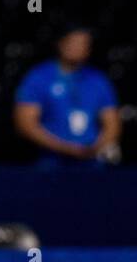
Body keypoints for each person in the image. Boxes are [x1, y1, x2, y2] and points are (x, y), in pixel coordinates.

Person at [14, 24, 121, 169]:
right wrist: (65, 148)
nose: (78, 47)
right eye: (73, 42)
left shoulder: (98, 80)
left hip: (91, 163)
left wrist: (96, 147)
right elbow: (26, 123)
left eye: (83, 43)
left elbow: (112, 122)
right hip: (51, 163)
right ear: (61, 44)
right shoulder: (39, 77)